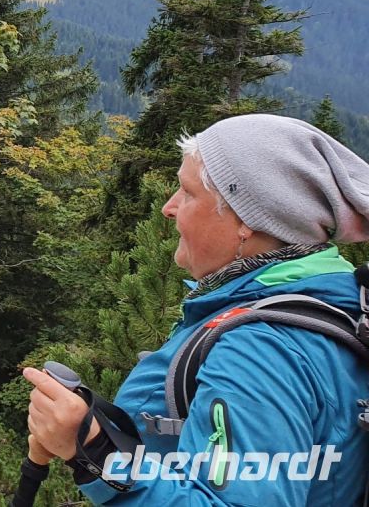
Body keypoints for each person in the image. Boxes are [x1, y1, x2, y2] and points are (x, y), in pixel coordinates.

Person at [24, 114, 369, 504]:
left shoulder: (260, 350)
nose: (168, 208)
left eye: (187, 193)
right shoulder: (333, 303)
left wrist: (92, 448)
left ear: (245, 222)